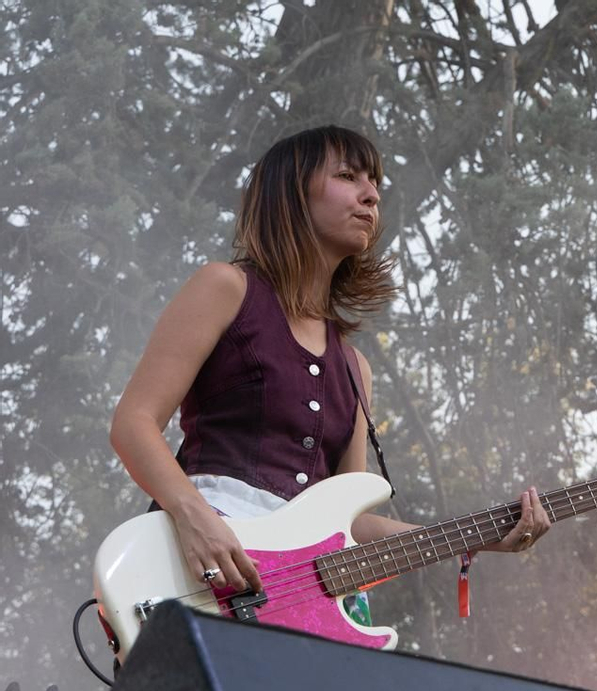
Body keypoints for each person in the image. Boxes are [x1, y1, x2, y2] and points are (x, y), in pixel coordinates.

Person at [110, 125, 549, 602]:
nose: (371, 195)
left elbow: (349, 522)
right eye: (348, 176)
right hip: (194, 571)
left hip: (293, 601)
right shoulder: (225, 288)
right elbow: (134, 423)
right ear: (292, 196)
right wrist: (193, 516)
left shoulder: (355, 368)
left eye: (375, 182)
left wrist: (475, 538)